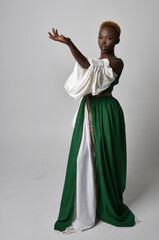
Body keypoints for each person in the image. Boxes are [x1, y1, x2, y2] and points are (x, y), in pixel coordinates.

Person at [48, 21, 138, 234]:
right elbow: (85, 67)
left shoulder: (116, 63)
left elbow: (89, 66)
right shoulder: (96, 62)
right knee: (83, 158)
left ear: (117, 40)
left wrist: (70, 44)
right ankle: (86, 206)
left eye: (108, 38)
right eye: (100, 37)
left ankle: (105, 203)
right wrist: (70, 46)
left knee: (105, 157)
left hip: (106, 111)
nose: (103, 41)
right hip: (88, 109)